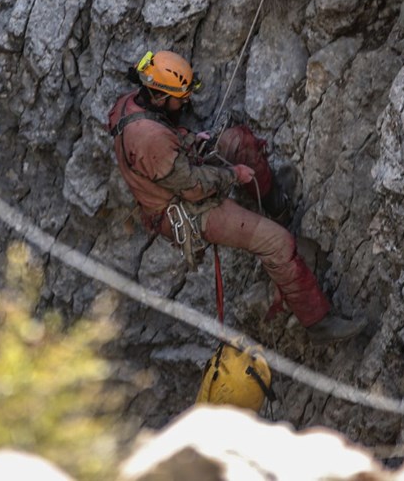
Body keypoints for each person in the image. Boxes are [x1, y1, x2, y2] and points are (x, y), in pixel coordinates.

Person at [107, 50, 365, 344]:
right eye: (180, 99)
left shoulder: (132, 103)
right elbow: (193, 187)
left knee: (238, 141)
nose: (185, 103)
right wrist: (233, 175)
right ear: (159, 96)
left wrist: (190, 140)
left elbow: (160, 148)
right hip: (183, 209)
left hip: (175, 177)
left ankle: (276, 204)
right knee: (277, 242)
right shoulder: (149, 138)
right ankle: (318, 322)